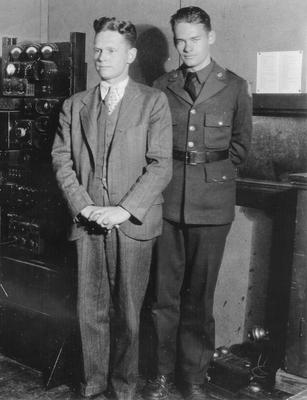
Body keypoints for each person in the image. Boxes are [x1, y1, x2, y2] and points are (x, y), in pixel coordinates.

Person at [51, 17, 172, 400]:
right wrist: (84, 207)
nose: (101, 57)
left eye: (111, 50)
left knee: (129, 316)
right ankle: (92, 386)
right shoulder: (75, 105)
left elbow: (160, 164)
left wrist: (123, 210)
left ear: (131, 55)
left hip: (132, 225)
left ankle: (123, 391)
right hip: (87, 222)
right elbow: (61, 161)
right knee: (90, 312)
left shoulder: (153, 102)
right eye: (98, 50)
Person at [143, 7, 252, 400]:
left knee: (199, 298)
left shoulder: (234, 86)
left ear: (211, 37)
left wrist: (209, 176)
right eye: (180, 40)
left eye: (194, 38)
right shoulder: (161, 84)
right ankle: (160, 376)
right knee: (162, 298)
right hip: (168, 201)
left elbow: (239, 147)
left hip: (213, 203)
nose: (186, 47)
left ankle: (193, 380)